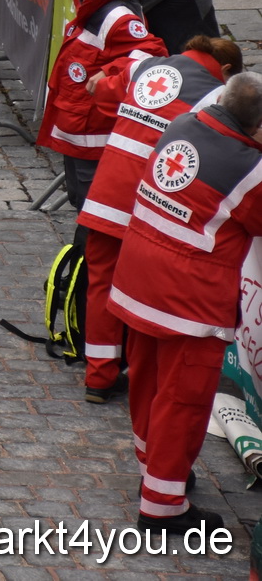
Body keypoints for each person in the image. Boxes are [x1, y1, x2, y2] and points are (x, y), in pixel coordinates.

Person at [111, 72, 262, 535]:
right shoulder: (251, 171)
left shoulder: (180, 124)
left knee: (147, 379)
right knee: (184, 399)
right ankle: (161, 504)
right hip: (189, 301)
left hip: (138, 277)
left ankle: (152, 469)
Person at [79, 34, 244, 404]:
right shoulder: (215, 97)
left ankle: (98, 376)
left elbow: (102, 94)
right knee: (145, 297)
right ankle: (145, 385)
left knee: (101, 284)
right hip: (149, 205)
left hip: (105, 195)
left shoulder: (146, 67)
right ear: (228, 70)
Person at [36, 0, 166, 210]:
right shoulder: (94, 5)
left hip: (93, 132)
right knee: (78, 199)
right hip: (78, 124)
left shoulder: (117, 17)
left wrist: (110, 70)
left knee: (90, 205)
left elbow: (152, 54)